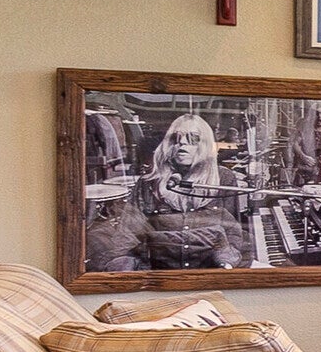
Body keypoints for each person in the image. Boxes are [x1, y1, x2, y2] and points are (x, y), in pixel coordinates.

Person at [85, 112, 249, 271]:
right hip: (159, 272)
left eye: (192, 138)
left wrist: (226, 265)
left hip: (209, 270)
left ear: (205, 144)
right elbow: (128, 235)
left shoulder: (223, 179)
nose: (182, 143)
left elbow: (233, 234)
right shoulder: (149, 182)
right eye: (175, 138)